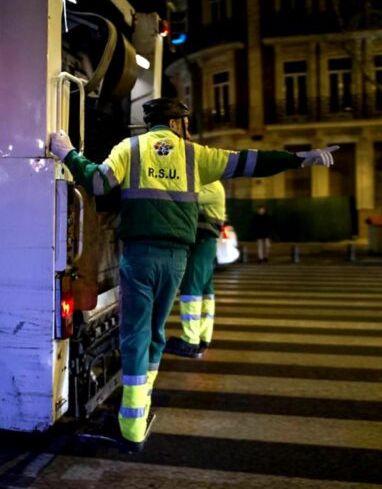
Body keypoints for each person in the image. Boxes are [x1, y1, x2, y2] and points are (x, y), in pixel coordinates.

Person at [50, 97, 337, 453]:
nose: (189, 129)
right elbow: (251, 161)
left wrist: (67, 154)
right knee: (155, 333)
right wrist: (297, 159)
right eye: (186, 123)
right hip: (176, 260)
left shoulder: (130, 147)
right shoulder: (196, 155)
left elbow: (96, 184)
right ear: (176, 123)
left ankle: (131, 427)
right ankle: (141, 408)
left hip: (140, 257)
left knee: (135, 337)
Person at [164, 180, 225, 359]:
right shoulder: (212, 184)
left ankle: (189, 340)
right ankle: (203, 336)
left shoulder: (212, 185)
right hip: (205, 245)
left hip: (201, 244)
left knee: (191, 289)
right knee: (206, 292)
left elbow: (185, 199)